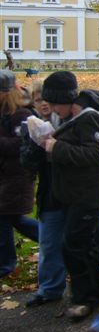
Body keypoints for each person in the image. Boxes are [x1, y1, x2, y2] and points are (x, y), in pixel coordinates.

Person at [41, 72, 99, 319]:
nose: (52, 109)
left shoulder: (86, 119)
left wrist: (57, 147)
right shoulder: (65, 118)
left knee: (74, 246)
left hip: (87, 194)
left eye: (55, 103)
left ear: (67, 100)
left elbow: (93, 155)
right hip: (72, 194)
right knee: (88, 245)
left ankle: (84, 298)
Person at [20, 80, 66, 307]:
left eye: (46, 99)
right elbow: (27, 161)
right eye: (38, 100)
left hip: (79, 192)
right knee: (49, 242)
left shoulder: (67, 120)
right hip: (50, 192)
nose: (44, 104)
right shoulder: (31, 126)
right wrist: (36, 144)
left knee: (98, 235)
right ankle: (49, 288)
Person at [0, 69, 38, 279]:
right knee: (13, 218)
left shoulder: (21, 115)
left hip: (17, 176)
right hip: (6, 176)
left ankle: (6, 264)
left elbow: (22, 144)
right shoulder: (5, 113)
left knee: (6, 217)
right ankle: (56, 241)